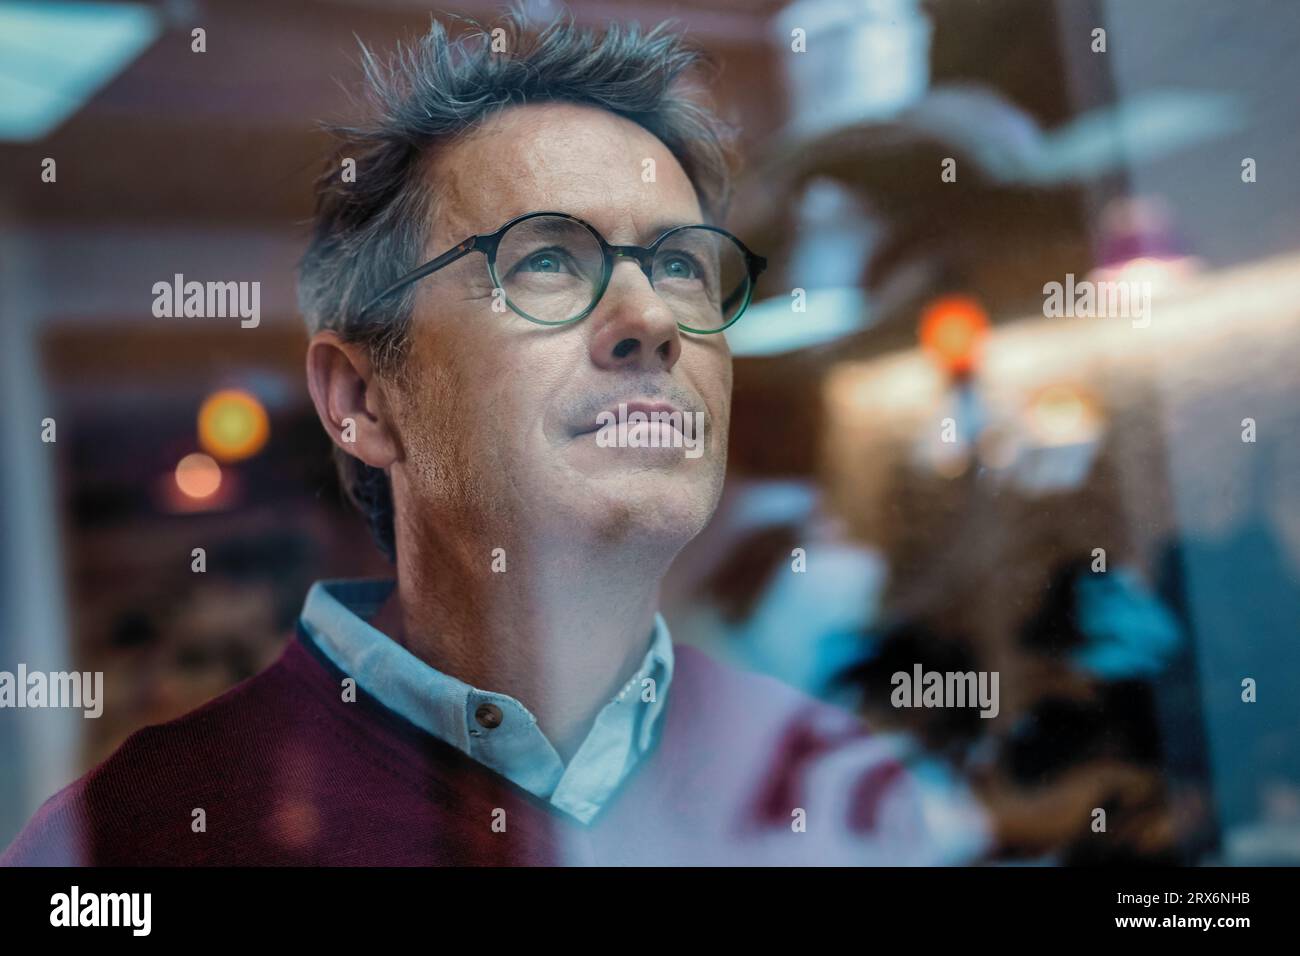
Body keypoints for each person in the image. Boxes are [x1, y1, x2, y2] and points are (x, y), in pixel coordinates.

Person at [2, 12, 990, 866]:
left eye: (682, 264)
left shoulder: (837, 782)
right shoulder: (137, 838)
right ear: (363, 398)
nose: (649, 313)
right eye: (551, 259)